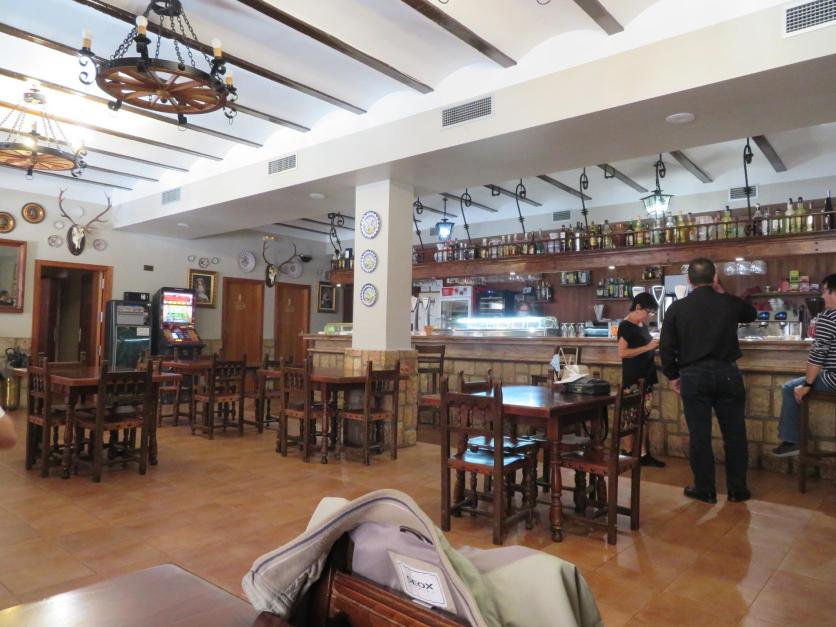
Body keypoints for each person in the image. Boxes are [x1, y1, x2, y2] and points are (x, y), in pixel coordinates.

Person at [660, 258, 757, 503]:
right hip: (728, 372)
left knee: (699, 435)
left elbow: (666, 347)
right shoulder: (728, 303)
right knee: (734, 434)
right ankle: (738, 489)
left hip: (693, 375)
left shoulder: (677, 308)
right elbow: (751, 314)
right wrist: (722, 291)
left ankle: (705, 489)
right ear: (714, 277)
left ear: (688, 280)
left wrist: (673, 375)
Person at [772, 273, 836, 456]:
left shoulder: (829, 316)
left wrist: (807, 385)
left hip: (834, 379)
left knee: (790, 388)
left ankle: (792, 442)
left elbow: (818, 354)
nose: (822, 296)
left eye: (825, 291)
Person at [617, 292, 665, 467]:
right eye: (648, 312)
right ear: (638, 307)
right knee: (630, 417)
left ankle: (642, 453)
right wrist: (648, 347)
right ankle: (628, 452)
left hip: (647, 377)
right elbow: (622, 353)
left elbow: (645, 347)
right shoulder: (625, 326)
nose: (649, 316)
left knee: (643, 418)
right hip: (633, 379)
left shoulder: (641, 325)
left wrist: (654, 346)